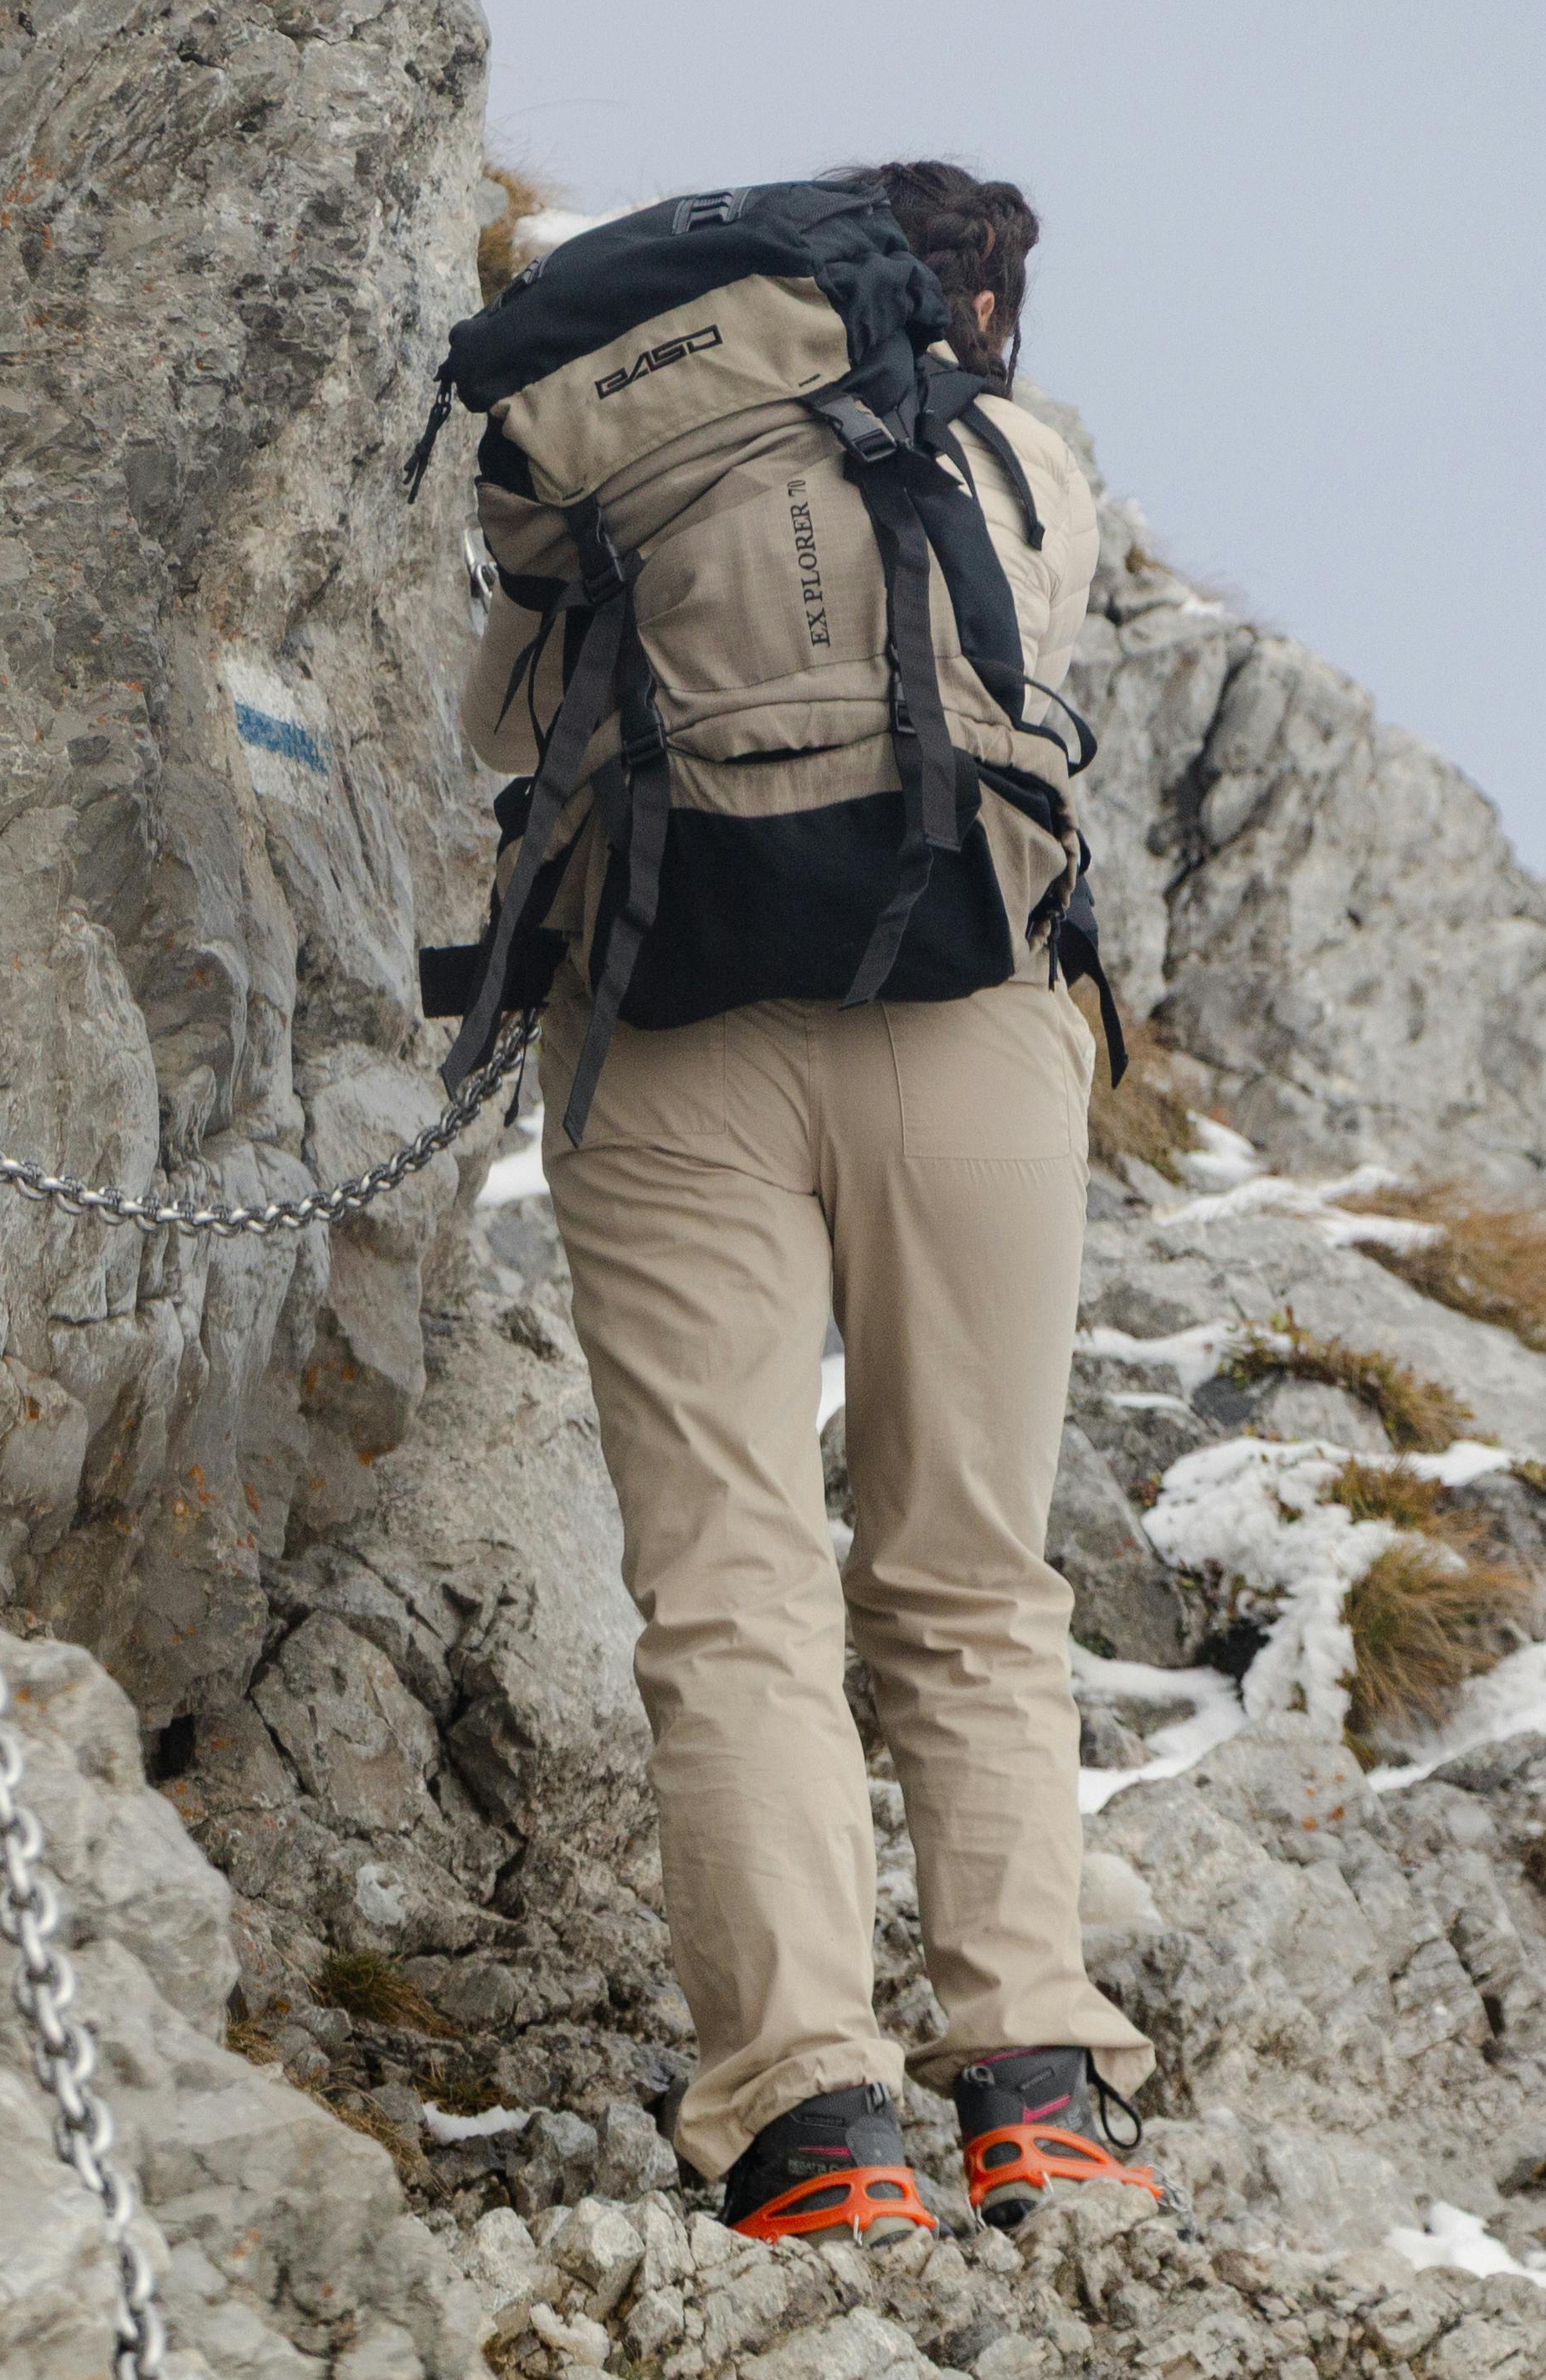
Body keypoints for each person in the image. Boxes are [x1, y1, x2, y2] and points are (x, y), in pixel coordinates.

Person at [456, 162, 1163, 2244]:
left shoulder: (640, 448)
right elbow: (1036, 676)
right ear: (981, 313)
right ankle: (1033, 2084)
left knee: (731, 1584)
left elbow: (504, 716)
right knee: (969, 1576)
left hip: (670, 1025)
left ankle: (813, 2119)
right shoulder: (1019, 461)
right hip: (971, 1024)